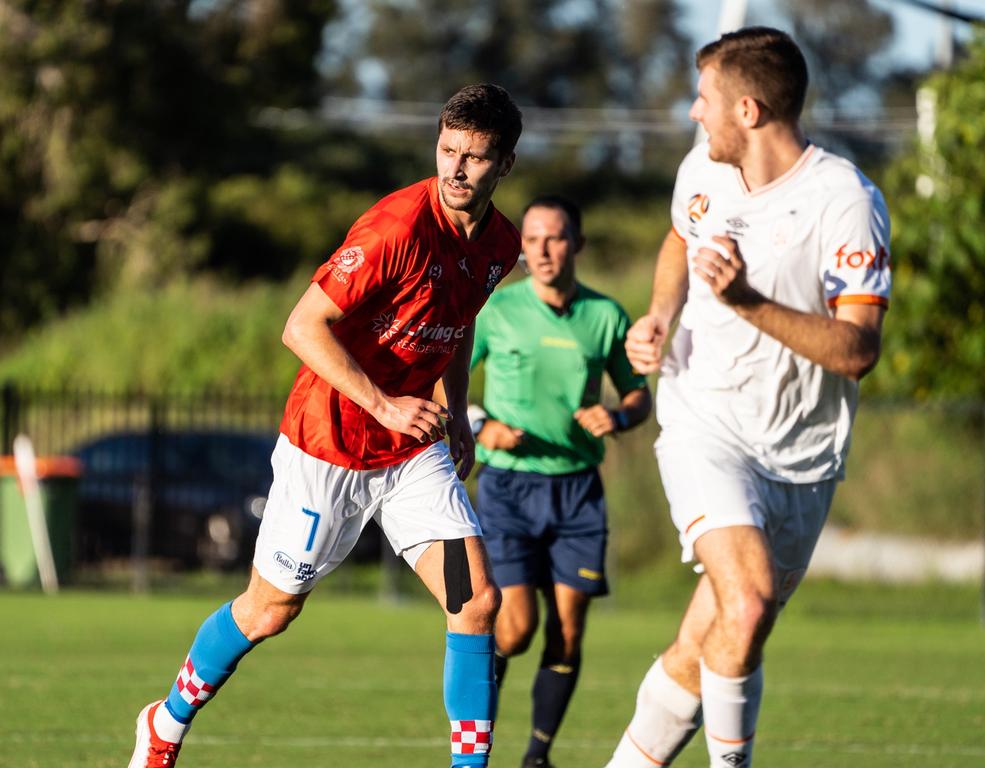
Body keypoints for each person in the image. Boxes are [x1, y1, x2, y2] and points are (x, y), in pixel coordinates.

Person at [127, 83, 524, 768]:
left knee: (475, 600)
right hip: (329, 446)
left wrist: (454, 411)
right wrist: (388, 404)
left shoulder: (499, 245)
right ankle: (165, 723)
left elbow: (459, 326)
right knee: (270, 611)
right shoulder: (395, 229)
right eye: (448, 150)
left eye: (476, 157)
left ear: (504, 165)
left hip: (410, 457)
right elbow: (302, 327)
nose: (457, 169)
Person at [604, 27, 891, 768]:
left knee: (712, 639)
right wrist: (661, 316)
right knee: (750, 598)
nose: (694, 114)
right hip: (705, 420)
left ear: (750, 110)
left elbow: (858, 350)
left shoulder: (845, 201)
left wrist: (747, 300)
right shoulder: (701, 169)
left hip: (802, 455)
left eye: (706, 100)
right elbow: (679, 237)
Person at [469, 195, 652, 768]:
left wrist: (618, 416)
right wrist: (481, 425)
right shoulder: (496, 312)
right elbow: (439, 384)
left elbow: (637, 395)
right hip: (509, 489)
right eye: (531, 239)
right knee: (517, 627)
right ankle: (474, 737)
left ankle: (537, 757)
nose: (542, 250)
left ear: (577, 244)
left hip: (577, 493)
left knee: (568, 633)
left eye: (554, 238)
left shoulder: (606, 315)